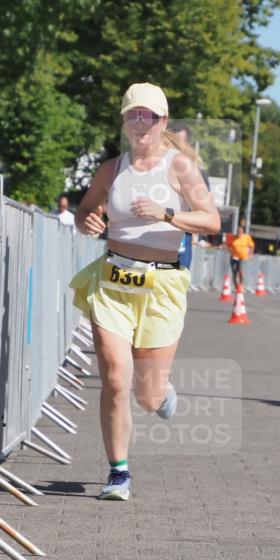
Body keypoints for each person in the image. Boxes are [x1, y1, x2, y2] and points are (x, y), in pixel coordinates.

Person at [70, 83, 220, 500]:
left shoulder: (180, 168)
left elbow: (211, 221)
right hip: (114, 280)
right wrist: (88, 221)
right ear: (124, 121)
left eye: (149, 117)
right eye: (134, 115)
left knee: (148, 397)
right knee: (115, 377)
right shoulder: (110, 170)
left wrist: (167, 213)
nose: (141, 123)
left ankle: (162, 389)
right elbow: (85, 210)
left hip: (162, 286)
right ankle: (118, 473)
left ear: (162, 122)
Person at [168, 121, 210, 270]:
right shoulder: (153, 165)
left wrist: (195, 233)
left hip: (181, 232)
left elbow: (206, 211)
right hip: (152, 232)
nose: (176, 147)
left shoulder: (197, 171)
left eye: (180, 143)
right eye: (172, 142)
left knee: (176, 282)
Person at [228, 219, 254, 289]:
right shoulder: (232, 237)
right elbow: (229, 246)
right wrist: (230, 251)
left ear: (243, 232)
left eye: (240, 231)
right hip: (234, 257)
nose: (239, 232)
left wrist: (250, 254)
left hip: (243, 257)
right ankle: (236, 287)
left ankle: (240, 285)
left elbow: (251, 246)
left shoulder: (246, 237)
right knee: (234, 272)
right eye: (238, 231)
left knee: (241, 271)